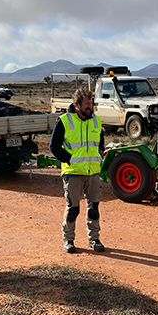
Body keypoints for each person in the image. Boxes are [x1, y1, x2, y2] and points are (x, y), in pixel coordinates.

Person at [49, 88, 105, 253]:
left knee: (94, 208)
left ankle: (94, 239)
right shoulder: (65, 121)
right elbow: (54, 146)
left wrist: (99, 155)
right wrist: (69, 159)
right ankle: (69, 240)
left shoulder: (96, 121)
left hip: (93, 172)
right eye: (87, 104)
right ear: (77, 104)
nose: (90, 106)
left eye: (91, 103)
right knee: (73, 208)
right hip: (73, 172)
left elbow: (100, 143)